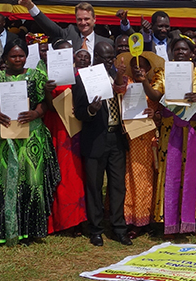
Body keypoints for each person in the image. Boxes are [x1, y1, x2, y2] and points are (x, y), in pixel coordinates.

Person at [0, 38, 58, 245]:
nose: (18, 59)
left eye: (21, 55)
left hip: (31, 138)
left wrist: (35, 113)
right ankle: (4, 230)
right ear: (5, 58)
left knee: (31, 182)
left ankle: (30, 231)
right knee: (5, 184)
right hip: (4, 138)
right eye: (13, 56)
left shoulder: (37, 75)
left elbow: (44, 103)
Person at [74, 42, 132, 246]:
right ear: (95, 56)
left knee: (117, 186)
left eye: (111, 58)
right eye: (104, 58)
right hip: (95, 139)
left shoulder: (119, 77)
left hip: (116, 137)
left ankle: (119, 228)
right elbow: (79, 111)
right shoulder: (84, 79)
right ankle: (96, 229)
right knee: (95, 186)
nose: (108, 62)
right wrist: (91, 109)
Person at [154, 36, 196, 235]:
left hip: (193, 130)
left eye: (185, 50)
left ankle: (191, 221)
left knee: (192, 173)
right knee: (171, 173)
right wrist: (143, 82)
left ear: (193, 53)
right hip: (170, 129)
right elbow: (156, 95)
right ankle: (169, 219)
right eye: (177, 50)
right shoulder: (163, 72)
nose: (181, 52)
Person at [119, 48, 164, 234]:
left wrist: (157, 114)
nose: (138, 70)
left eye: (142, 67)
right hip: (130, 137)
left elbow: (161, 103)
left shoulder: (156, 83)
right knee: (130, 178)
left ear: (148, 68)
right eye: (134, 67)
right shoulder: (127, 83)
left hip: (149, 136)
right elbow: (117, 91)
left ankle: (147, 217)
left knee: (147, 178)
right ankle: (131, 217)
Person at [44, 40, 86, 235]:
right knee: (59, 174)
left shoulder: (80, 74)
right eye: (60, 52)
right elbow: (50, 106)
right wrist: (47, 90)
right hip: (57, 130)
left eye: (68, 52)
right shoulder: (47, 75)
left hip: (76, 131)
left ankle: (77, 219)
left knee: (76, 175)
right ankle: (60, 219)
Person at [20, 0, 112, 62]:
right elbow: (49, 27)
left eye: (86, 19)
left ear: (94, 19)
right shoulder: (70, 33)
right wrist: (30, 7)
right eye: (79, 19)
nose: (83, 23)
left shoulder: (106, 43)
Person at [116, 8, 196, 56]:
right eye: (160, 26)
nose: (164, 30)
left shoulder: (175, 36)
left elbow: (194, 39)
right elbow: (130, 35)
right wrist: (124, 21)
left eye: (167, 26)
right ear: (152, 25)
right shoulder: (143, 37)